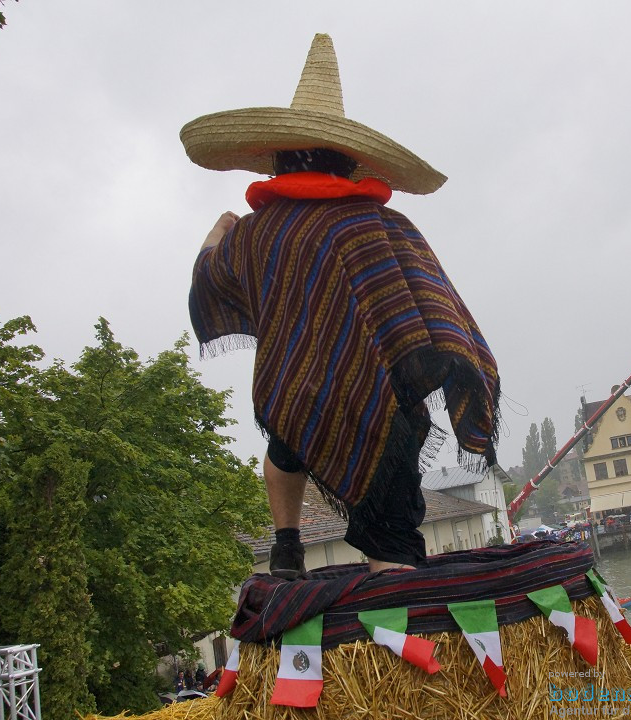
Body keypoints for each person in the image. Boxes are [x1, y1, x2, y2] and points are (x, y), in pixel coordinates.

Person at [182, 35, 500, 579]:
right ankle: (393, 620)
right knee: (391, 543)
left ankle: (287, 546)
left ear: (279, 157)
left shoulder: (253, 236)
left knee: (288, 443)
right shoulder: (380, 227)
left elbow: (208, 280)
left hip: (294, 387)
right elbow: (429, 312)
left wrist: (217, 232)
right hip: (377, 400)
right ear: (348, 163)